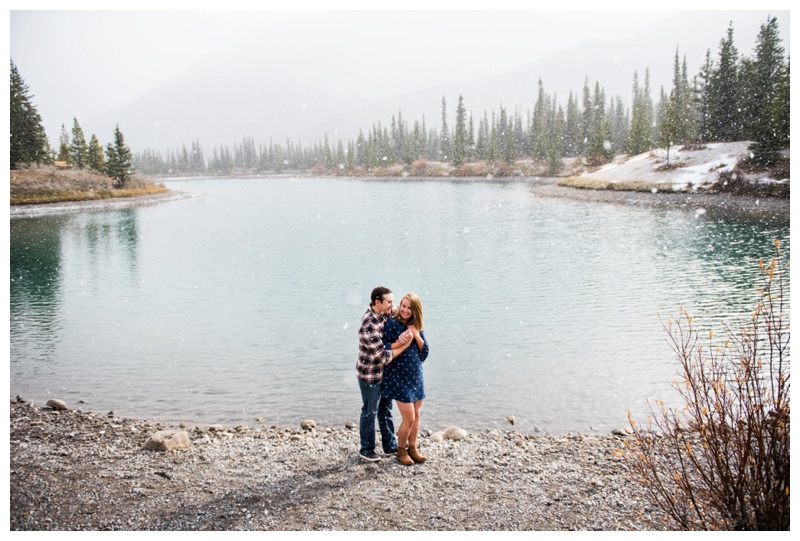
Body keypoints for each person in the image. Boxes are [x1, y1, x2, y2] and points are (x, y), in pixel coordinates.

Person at [356, 286, 412, 462]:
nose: (392, 305)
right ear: (377, 302)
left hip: (385, 375)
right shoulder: (367, 325)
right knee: (369, 412)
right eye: (389, 302)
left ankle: (390, 446)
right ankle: (366, 449)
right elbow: (383, 357)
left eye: (393, 302)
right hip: (370, 376)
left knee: (385, 410)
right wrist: (403, 345)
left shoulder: (388, 312)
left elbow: (406, 313)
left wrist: (412, 330)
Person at [381, 292, 429, 465]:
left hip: (416, 376)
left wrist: (416, 335)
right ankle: (401, 451)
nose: (405, 310)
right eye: (403, 306)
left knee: (416, 415)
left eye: (409, 307)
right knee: (408, 417)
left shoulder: (417, 326)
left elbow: (425, 353)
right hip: (398, 377)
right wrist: (400, 341)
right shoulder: (393, 324)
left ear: (415, 310)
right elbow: (384, 347)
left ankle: (413, 448)